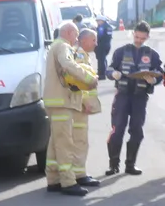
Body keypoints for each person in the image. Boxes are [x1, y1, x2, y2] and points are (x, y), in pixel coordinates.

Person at [44, 22, 99, 196]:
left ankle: (53, 180)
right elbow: (67, 64)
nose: (76, 40)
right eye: (75, 35)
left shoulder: (55, 46)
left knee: (56, 142)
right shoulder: (63, 46)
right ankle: (68, 182)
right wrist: (88, 78)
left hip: (55, 101)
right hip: (62, 101)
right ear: (68, 32)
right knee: (65, 143)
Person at [106, 21, 164, 175]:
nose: (139, 40)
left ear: (148, 37)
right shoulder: (121, 52)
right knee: (117, 129)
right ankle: (113, 165)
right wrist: (113, 74)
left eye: (142, 38)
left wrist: (154, 79)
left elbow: (159, 71)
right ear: (133, 34)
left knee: (137, 130)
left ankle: (130, 165)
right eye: (137, 37)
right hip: (122, 96)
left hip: (140, 97)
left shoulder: (152, 54)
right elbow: (110, 68)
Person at [71, 28, 102, 187]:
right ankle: (79, 174)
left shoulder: (80, 53)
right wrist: (86, 102)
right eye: (94, 40)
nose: (96, 44)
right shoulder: (80, 55)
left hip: (77, 105)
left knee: (78, 139)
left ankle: (76, 172)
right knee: (80, 140)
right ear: (83, 40)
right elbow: (80, 79)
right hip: (79, 106)